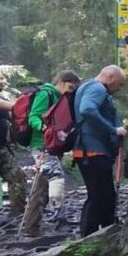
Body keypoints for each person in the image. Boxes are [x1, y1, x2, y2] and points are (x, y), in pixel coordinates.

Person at [72, 65, 128, 236]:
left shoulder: (87, 87)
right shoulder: (97, 88)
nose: (120, 88)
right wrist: (113, 129)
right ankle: (88, 239)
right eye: (120, 83)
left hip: (90, 151)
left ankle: (105, 234)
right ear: (111, 78)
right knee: (98, 197)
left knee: (105, 196)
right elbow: (87, 110)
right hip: (92, 151)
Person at [28, 69, 81, 216]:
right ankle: (57, 213)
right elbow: (33, 116)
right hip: (41, 145)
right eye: (70, 86)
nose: (71, 90)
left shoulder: (60, 98)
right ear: (61, 82)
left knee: (41, 187)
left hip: (54, 146)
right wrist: (44, 128)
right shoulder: (46, 94)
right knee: (55, 175)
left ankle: (32, 227)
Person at [0, 76, 28, 216]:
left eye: (2, 79)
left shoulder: (2, 99)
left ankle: (17, 214)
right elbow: (14, 107)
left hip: (2, 149)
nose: (2, 82)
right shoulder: (2, 102)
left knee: (17, 176)